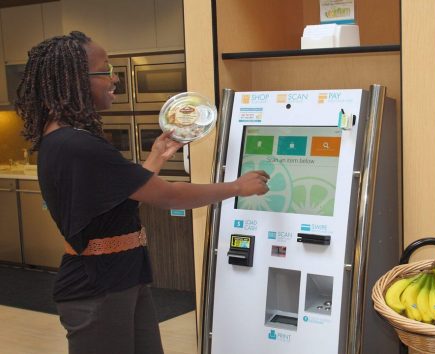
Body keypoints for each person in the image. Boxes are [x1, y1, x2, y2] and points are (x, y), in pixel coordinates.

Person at [15, 31, 269, 354]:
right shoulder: (77, 145)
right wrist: (236, 187)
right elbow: (168, 196)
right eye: (105, 70)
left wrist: (156, 157)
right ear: (78, 79)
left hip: (120, 277)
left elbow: (122, 196)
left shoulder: (67, 139)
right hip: (98, 288)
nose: (114, 79)